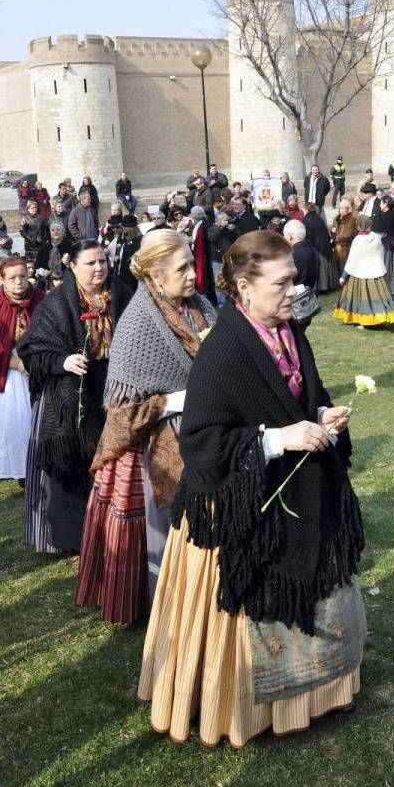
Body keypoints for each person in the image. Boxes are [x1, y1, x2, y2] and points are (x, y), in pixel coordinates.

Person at [138, 230, 365, 746]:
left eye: (295, 278)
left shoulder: (290, 332)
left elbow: (307, 393)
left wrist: (324, 414)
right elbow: (201, 446)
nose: (295, 289)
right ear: (244, 287)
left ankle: (324, 691)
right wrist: (277, 439)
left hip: (301, 497)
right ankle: (252, 710)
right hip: (241, 513)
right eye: (282, 281)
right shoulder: (222, 353)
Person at [76, 230, 217, 624]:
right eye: (182, 268)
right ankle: (169, 605)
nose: (192, 274)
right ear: (155, 275)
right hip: (154, 446)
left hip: (206, 430)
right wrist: (176, 401)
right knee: (167, 529)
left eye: (192, 264)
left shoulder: (200, 305)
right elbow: (123, 410)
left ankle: (206, 597)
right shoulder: (138, 323)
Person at [17, 240, 133, 554]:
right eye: (91, 263)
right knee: (73, 463)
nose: (99, 269)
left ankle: (115, 528)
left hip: (116, 389)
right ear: (73, 267)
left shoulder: (122, 293)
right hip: (71, 393)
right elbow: (31, 349)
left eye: (103, 262)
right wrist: (62, 361)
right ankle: (73, 535)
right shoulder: (57, 303)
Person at [0, 256, 44, 485]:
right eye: (12, 278)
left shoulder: (41, 300)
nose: (19, 282)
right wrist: (20, 365)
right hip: (10, 377)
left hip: (41, 371)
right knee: (16, 424)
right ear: (1, 279)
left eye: (23, 276)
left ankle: (44, 467)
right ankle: (22, 471)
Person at [334, 218, 394, 327]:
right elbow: (381, 252)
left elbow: (352, 260)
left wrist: (343, 277)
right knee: (379, 298)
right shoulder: (376, 237)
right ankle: (383, 317)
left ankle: (363, 320)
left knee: (362, 298)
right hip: (376, 271)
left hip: (360, 272)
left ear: (359, 226)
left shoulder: (358, 240)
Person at [303, 204, 339, 292]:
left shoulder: (306, 220)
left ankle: (321, 287)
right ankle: (330, 285)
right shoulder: (319, 218)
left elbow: (307, 236)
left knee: (320, 267)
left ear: (306, 210)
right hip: (325, 246)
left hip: (316, 248)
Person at [189, 205, 217, 306]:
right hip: (198, 255)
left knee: (207, 279)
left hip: (205, 256)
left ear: (196, 216)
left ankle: (212, 301)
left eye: (192, 215)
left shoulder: (206, 225)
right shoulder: (197, 225)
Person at [372, 194, 394, 279]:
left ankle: (388, 284)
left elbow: (379, 229)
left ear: (385, 204)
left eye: (381, 203)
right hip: (389, 243)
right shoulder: (391, 213)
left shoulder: (387, 215)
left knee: (387, 265)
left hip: (388, 245)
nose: (379, 205)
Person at [283, 219, 319, 289]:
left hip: (296, 296)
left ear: (290, 236)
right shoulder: (313, 250)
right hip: (309, 294)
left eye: (284, 235)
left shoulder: (292, 255)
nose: (284, 238)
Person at [331, 197, 357, 273]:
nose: (341, 210)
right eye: (340, 208)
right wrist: (332, 232)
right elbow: (333, 230)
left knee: (345, 269)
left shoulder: (351, 219)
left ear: (348, 209)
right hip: (337, 248)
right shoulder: (336, 218)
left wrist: (337, 238)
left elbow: (349, 234)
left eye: (343, 208)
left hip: (346, 249)